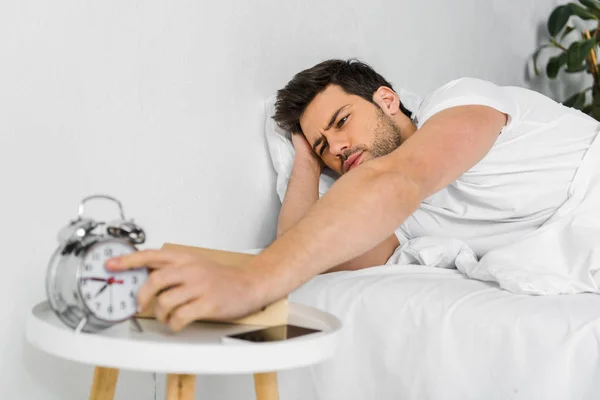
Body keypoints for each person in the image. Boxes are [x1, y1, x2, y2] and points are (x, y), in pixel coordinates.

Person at [106, 59, 600, 331]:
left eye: (342, 122)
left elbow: (399, 179)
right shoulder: (399, 219)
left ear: (387, 99)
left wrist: (254, 280)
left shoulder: (461, 102)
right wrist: (304, 164)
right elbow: (314, 248)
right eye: (325, 146)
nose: (337, 148)